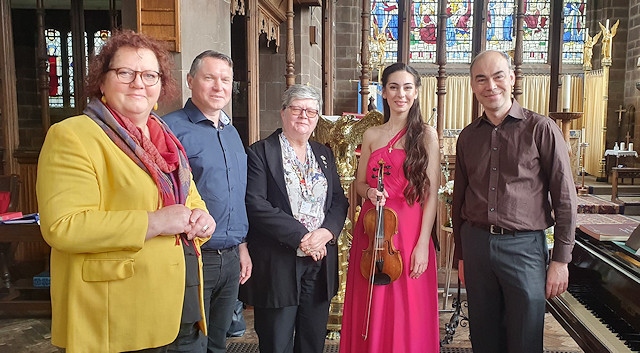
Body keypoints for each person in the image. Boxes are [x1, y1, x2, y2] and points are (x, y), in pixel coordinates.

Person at [36, 30, 216, 353]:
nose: (139, 83)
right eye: (125, 73)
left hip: (179, 305)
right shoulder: (72, 136)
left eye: (150, 75)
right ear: (101, 82)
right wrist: (155, 222)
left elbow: (188, 199)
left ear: (161, 86)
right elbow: (64, 225)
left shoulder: (165, 137)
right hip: (116, 315)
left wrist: (203, 219)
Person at [452, 50, 577, 353]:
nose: (490, 85)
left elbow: (565, 198)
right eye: (481, 79)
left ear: (512, 78)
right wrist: (462, 254)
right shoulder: (468, 137)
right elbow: (458, 201)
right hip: (477, 246)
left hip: (523, 248)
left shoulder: (541, 128)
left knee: (524, 336)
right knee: (483, 336)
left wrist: (561, 260)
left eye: (497, 76)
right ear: (472, 85)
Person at [239, 84, 349, 353]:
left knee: (312, 340)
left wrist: (326, 233)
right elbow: (256, 204)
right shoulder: (260, 152)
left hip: (319, 261)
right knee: (277, 342)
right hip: (279, 262)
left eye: (311, 112)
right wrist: (302, 237)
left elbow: (338, 200)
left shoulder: (323, 154)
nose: (304, 116)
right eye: (297, 109)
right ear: (283, 112)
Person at [338, 63, 440, 353]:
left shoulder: (426, 136)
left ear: (416, 93)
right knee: (372, 305)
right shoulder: (371, 134)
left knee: (407, 310)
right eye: (394, 87)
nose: (401, 94)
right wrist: (369, 190)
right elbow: (357, 185)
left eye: (407, 88)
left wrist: (423, 244)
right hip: (373, 233)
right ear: (383, 92)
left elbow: (430, 196)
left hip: (409, 235)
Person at [163, 50, 251, 353]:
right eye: (209, 78)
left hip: (229, 257)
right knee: (188, 343)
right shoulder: (170, 129)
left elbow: (235, 196)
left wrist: (241, 247)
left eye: (225, 80)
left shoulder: (231, 132)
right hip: (193, 255)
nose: (218, 86)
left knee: (218, 342)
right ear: (190, 81)